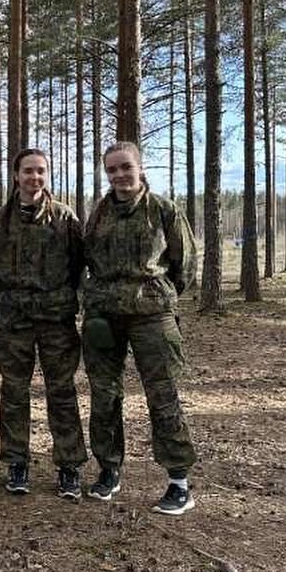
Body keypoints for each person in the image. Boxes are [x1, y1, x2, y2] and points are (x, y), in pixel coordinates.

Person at [82, 140, 198, 515]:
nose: (119, 175)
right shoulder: (98, 213)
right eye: (112, 169)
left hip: (152, 317)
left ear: (140, 168)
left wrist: (156, 297)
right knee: (105, 395)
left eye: (125, 167)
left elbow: (185, 267)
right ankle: (109, 470)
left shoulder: (163, 210)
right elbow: (88, 260)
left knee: (163, 396)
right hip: (104, 319)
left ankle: (178, 481)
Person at [0, 148, 87, 500]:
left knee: (62, 392)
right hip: (15, 321)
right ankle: (16, 462)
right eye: (28, 171)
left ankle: (69, 465)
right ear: (16, 175)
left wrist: (53, 297)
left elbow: (76, 267)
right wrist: (13, 299)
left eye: (40, 171)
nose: (34, 177)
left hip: (56, 320)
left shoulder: (65, 218)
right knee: (13, 392)